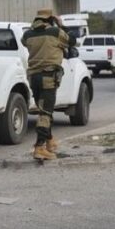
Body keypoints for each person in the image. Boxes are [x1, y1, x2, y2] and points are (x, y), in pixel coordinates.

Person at [21, 8, 69, 161]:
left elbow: (24, 41)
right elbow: (72, 40)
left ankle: (49, 141)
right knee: (45, 113)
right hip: (48, 77)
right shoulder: (55, 32)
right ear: (50, 19)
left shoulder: (27, 35)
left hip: (33, 77)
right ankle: (39, 147)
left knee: (43, 110)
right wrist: (60, 24)